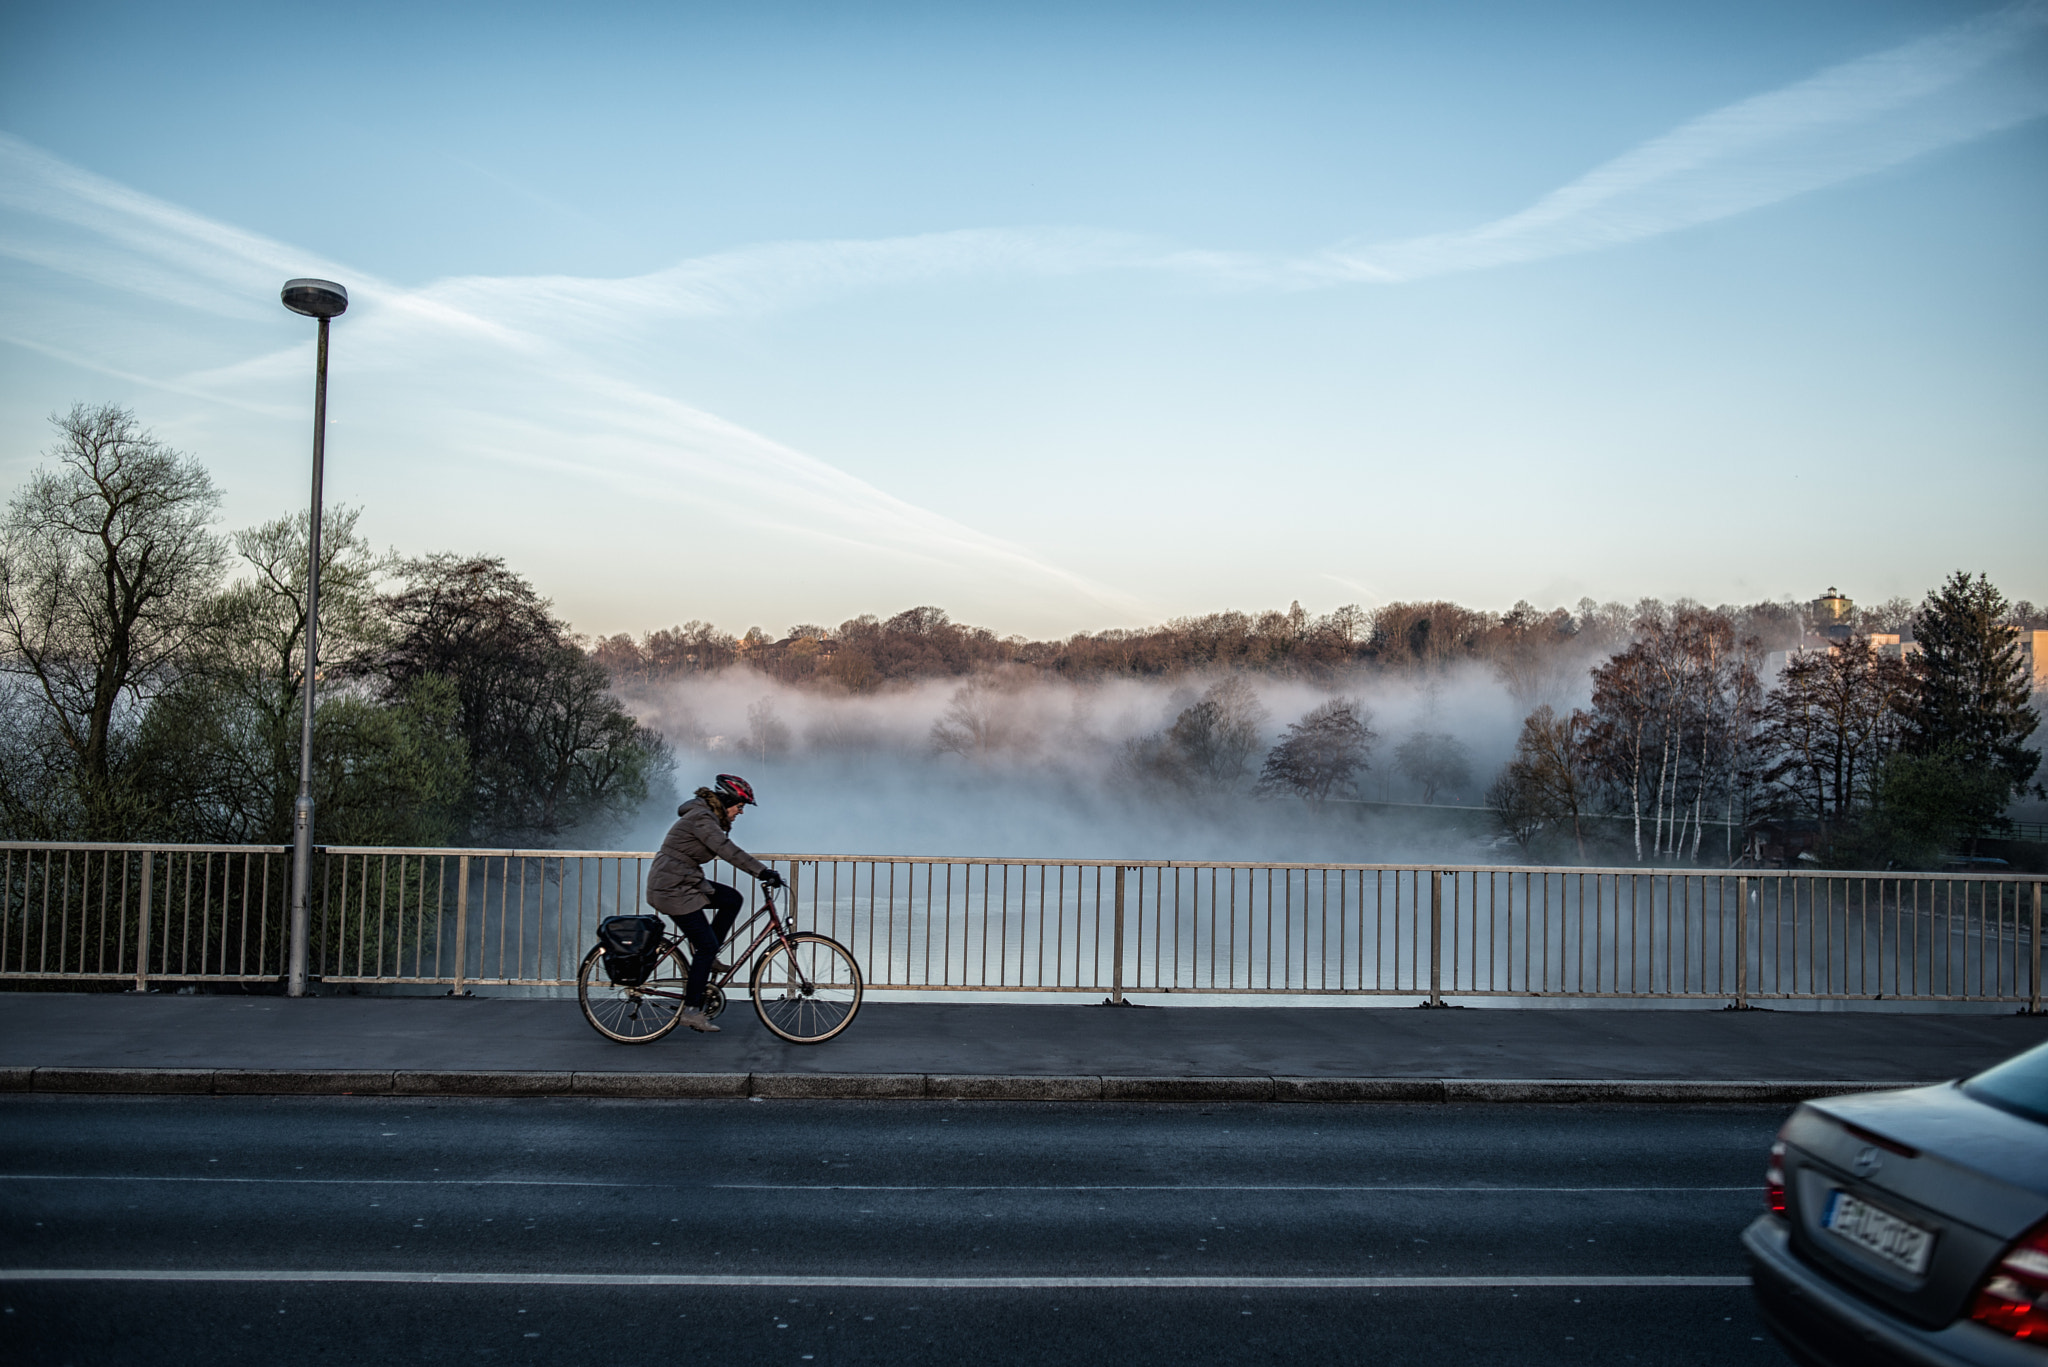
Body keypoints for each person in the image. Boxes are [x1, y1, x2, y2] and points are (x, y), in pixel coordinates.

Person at [646, 773, 783, 1033]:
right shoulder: (702, 818)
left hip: (684, 882)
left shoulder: (705, 816)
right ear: (727, 800)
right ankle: (692, 1010)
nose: (740, 813)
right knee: (706, 945)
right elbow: (727, 850)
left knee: (732, 899)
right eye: (739, 806)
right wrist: (763, 871)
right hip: (671, 888)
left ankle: (706, 958)